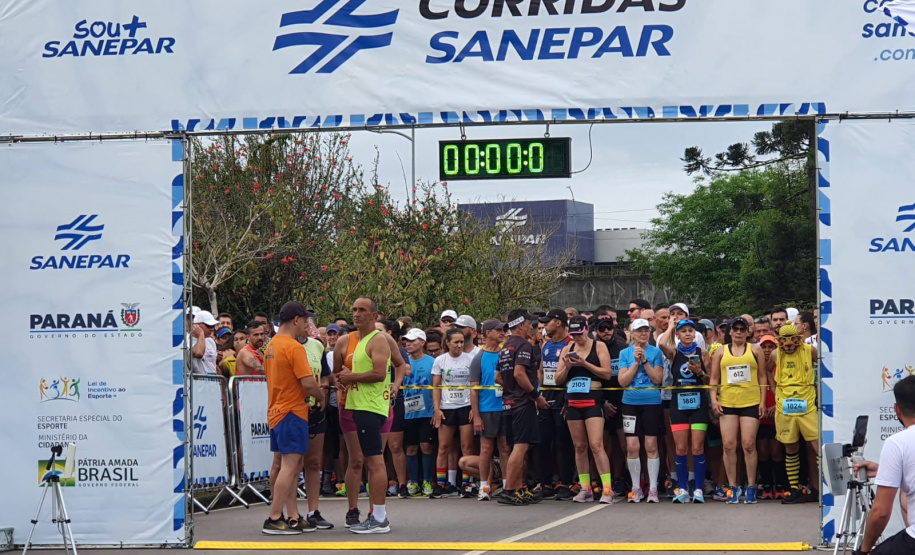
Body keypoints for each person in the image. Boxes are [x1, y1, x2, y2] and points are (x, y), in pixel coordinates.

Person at [261, 301, 324, 535]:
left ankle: (292, 516)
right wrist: (321, 397)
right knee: (290, 466)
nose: (307, 325)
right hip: (292, 411)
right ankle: (274, 517)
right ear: (296, 320)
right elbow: (308, 383)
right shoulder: (294, 347)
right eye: (306, 321)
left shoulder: (271, 345)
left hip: (277, 411)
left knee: (290, 466)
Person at [335, 297, 394, 534]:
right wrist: (342, 378)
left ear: (374, 316)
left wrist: (351, 378)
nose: (356, 314)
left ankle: (378, 517)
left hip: (370, 407)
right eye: (354, 310)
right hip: (360, 406)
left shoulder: (378, 339)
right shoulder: (356, 341)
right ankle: (377, 515)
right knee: (369, 460)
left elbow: (380, 373)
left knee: (374, 461)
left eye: (362, 310)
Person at [555, 316, 615, 504]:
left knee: (596, 445)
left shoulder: (599, 346)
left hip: (593, 398)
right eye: (573, 335)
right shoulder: (567, 348)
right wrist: (567, 367)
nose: (577, 338)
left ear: (587, 329)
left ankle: (607, 488)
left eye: (579, 334)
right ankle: (585, 487)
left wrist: (584, 363)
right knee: (579, 446)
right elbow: (557, 380)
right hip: (573, 399)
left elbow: (607, 373)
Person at [855, 377, 915, 555]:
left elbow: (881, 512)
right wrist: (886, 471)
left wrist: (864, 550)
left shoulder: (898, 443)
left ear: (896, 409)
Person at [710, 317, 767, 505]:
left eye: (743, 329)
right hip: (728, 402)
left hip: (750, 401)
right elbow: (714, 379)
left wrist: (763, 401)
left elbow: (762, 376)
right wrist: (714, 400)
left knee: (749, 443)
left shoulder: (755, 349)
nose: (739, 332)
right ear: (730, 332)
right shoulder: (720, 351)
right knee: (728, 445)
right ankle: (733, 486)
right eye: (736, 329)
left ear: (747, 332)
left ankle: (751, 486)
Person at [498, 310, 548, 506]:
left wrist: (510, 390)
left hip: (508, 403)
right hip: (522, 403)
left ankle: (518, 488)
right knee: (521, 446)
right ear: (520, 325)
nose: (531, 328)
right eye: (529, 325)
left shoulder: (505, 347)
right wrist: (536, 396)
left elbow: (497, 377)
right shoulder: (524, 345)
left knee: (515, 447)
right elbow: (520, 373)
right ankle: (509, 490)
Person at [766, 324, 819, 505]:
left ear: (799, 338)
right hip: (785, 405)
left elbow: (826, 364)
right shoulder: (774, 355)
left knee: (818, 447)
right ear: (779, 341)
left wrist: (819, 389)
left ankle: (823, 487)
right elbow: (767, 369)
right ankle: (794, 489)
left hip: (807, 404)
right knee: (790, 448)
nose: (789, 344)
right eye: (784, 340)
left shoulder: (809, 351)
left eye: (792, 340)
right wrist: (774, 391)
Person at [659, 319, 711, 504]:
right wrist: (672, 326)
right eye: (683, 331)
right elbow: (661, 343)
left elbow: (710, 380)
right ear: (678, 335)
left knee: (697, 448)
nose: (687, 334)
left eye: (691, 331)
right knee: (680, 448)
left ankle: (697, 488)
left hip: (698, 404)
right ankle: (682, 489)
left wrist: (698, 372)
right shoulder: (674, 353)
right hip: (678, 403)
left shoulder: (702, 353)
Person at [618, 318, 665, 503]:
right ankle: (636, 487)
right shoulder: (625, 353)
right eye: (639, 331)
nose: (643, 333)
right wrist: (635, 363)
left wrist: (644, 360)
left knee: (651, 445)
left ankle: (653, 488)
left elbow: (657, 379)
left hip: (651, 402)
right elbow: (622, 381)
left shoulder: (656, 352)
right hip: (630, 402)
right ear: (632, 333)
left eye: (646, 330)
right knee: (632, 446)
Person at [430, 329, 475, 498]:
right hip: (447, 407)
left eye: (462, 342)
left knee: (467, 446)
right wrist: (437, 409)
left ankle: (466, 484)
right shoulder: (440, 360)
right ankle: (442, 484)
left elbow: (474, 385)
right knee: (443, 447)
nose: (459, 345)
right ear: (447, 342)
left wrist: (473, 409)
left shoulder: (470, 360)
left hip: (465, 405)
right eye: (456, 342)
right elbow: (436, 387)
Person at [469, 319, 510, 501]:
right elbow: (474, 389)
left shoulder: (505, 353)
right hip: (487, 409)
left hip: (505, 407)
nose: (502, 333)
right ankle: (484, 486)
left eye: (503, 330)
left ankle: (507, 483)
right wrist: (476, 415)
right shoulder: (479, 357)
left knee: (505, 447)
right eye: (498, 330)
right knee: (486, 449)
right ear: (487, 333)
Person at [537, 309, 575, 500]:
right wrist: (539, 395)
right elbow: (541, 372)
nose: (544, 326)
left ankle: (566, 482)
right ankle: (545, 483)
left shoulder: (571, 344)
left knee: (563, 443)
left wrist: (568, 400)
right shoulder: (546, 345)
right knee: (543, 442)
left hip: (563, 398)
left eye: (548, 322)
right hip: (546, 398)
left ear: (558, 323)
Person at [402, 329, 436, 497]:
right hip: (407, 412)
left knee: (426, 445)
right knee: (411, 448)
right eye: (406, 341)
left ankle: (427, 480)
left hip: (427, 412)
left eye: (412, 341)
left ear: (422, 343)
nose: (407, 344)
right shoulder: (401, 361)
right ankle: (414, 481)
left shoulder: (432, 362)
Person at [756, 334, 786, 500]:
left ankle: (780, 485)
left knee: (776, 452)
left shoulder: (779, 367)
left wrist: (776, 405)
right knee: (762, 452)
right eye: (764, 347)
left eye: (770, 347)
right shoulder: (756, 368)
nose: (767, 350)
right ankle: (766, 486)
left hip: (777, 414)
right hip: (761, 416)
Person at [191, 311, 220, 375]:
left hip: (212, 380)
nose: (212, 329)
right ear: (196, 325)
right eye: (208, 326)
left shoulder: (211, 341)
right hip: (197, 381)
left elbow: (213, 364)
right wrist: (201, 334)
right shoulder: (188, 341)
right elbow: (199, 353)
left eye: (213, 326)